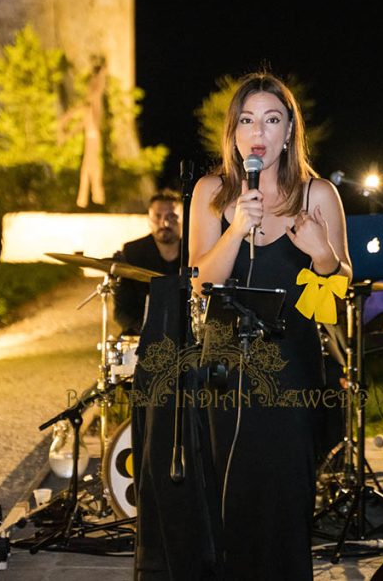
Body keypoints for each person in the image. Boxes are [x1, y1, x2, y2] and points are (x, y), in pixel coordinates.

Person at [188, 72, 351, 579]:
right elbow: (199, 280)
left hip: (292, 370)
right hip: (225, 370)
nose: (259, 131)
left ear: (288, 132)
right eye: (247, 119)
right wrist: (236, 227)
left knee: (285, 502)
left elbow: (341, 282)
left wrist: (321, 251)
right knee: (230, 499)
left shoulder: (318, 194)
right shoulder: (211, 191)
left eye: (272, 119)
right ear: (234, 134)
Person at [113, 190, 182, 335]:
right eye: (158, 216)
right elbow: (122, 312)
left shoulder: (194, 252)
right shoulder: (133, 252)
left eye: (172, 216)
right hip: (141, 336)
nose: (165, 223)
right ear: (149, 220)